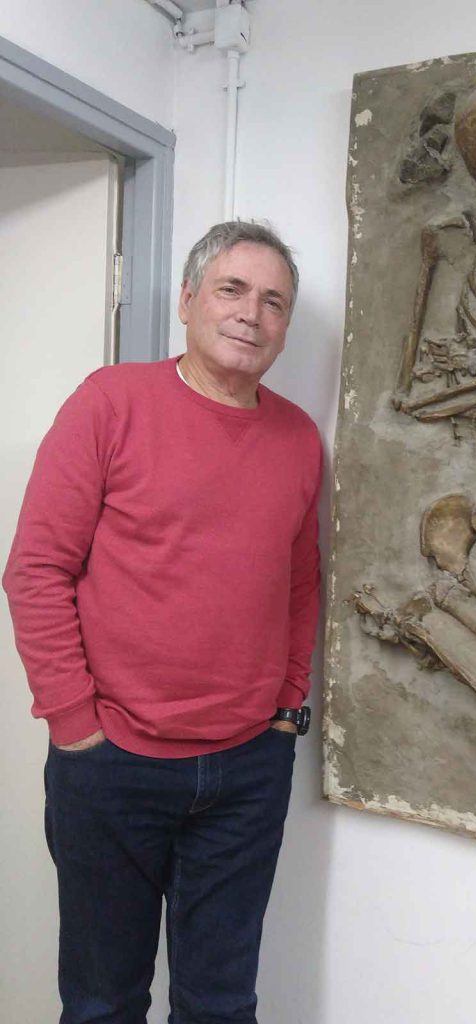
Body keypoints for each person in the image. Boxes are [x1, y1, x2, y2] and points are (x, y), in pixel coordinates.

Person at [3, 220, 322, 1024]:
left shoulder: (297, 438)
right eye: (232, 289)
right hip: (113, 766)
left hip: (248, 768)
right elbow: (35, 571)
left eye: (274, 301)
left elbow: (299, 582)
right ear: (187, 301)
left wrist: (287, 709)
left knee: (220, 1003)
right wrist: (74, 723)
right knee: (105, 1002)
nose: (253, 314)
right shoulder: (111, 403)